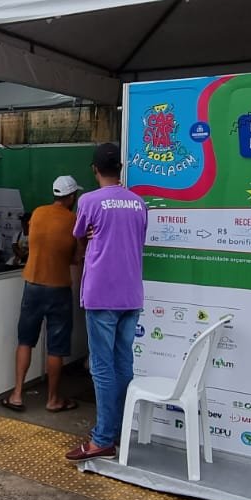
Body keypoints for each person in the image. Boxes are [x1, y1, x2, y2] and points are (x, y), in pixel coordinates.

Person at [67, 144, 148, 462]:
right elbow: (137, 240)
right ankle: (118, 432)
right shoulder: (139, 203)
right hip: (131, 294)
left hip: (102, 295)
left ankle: (102, 439)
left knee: (102, 367)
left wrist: (92, 233)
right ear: (121, 169)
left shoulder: (88, 201)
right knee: (123, 363)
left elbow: (79, 233)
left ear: (94, 169)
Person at [4, 176, 80, 413]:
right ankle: (53, 400)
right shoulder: (74, 220)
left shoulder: (37, 213)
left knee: (25, 340)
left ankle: (17, 395)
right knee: (56, 347)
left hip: (33, 285)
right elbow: (77, 258)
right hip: (59, 288)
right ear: (71, 196)